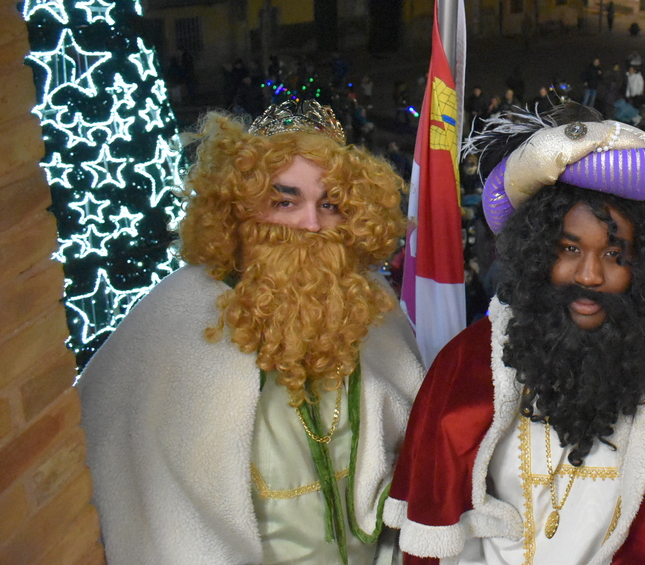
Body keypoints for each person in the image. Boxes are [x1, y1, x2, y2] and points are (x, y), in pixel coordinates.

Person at [385, 108, 645, 564]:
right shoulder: (465, 365)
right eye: (569, 249)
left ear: (643, 265)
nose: (589, 275)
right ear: (535, 252)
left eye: (614, 253)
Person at [77, 102, 425, 565]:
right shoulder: (176, 314)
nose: (310, 224)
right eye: (285, 201)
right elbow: (108, 448)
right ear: (238, 210)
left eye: (330, 205)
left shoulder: (368, 304)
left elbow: (412, 438)